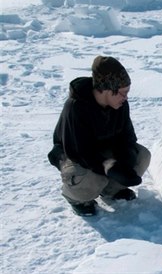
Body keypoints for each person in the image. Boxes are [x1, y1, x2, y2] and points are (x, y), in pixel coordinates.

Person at [48, 56, 151, 216]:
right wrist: (111, 168)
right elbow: (82, 153)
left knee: (142, 156)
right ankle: (76, 197)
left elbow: (127, 138)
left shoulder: (120, 104)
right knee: (93, 179)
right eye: (123, 93)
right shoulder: (76, 107)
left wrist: (126, 162)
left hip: (104, 151)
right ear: (107, 89)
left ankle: (113, 189)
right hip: (75, 157)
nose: (126, 98)